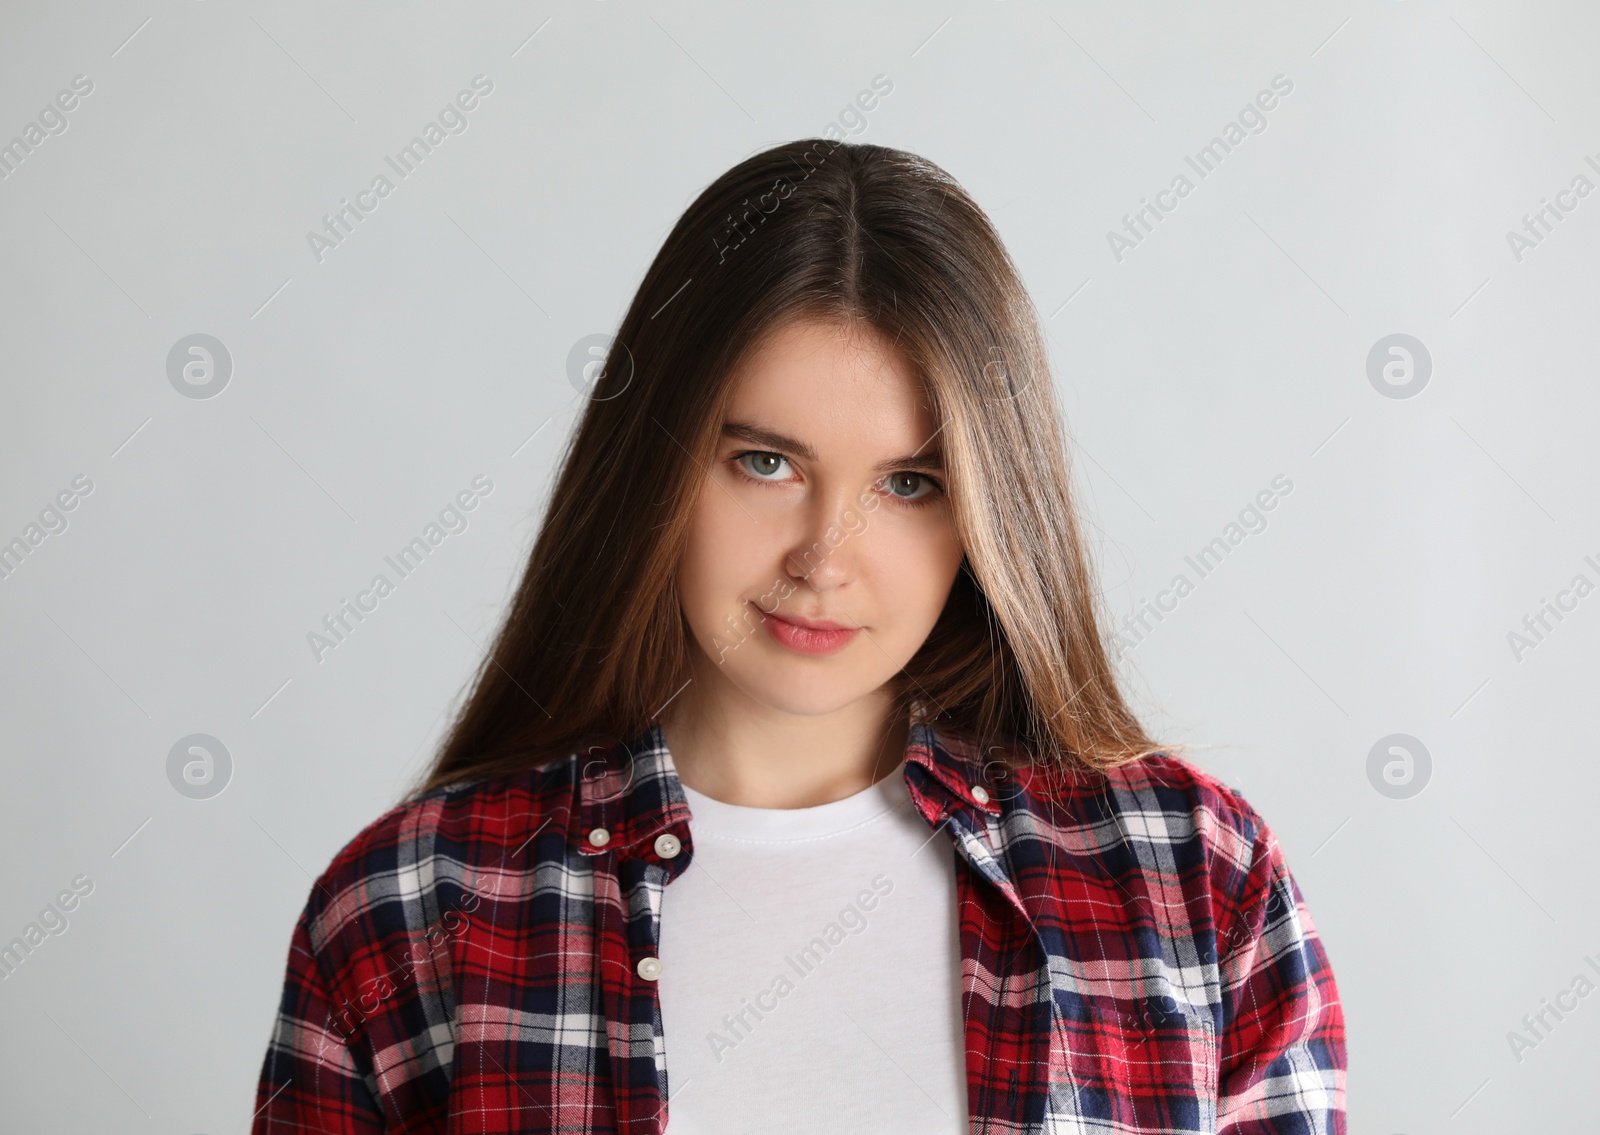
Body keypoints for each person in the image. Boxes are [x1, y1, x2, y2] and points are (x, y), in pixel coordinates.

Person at [251, 138, 1346, 1134]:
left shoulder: (1195, 878)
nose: (826, 556)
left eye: (910, 483)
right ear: (656, 465)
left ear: (988, 511)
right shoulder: (414, 905)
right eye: (764, 463)